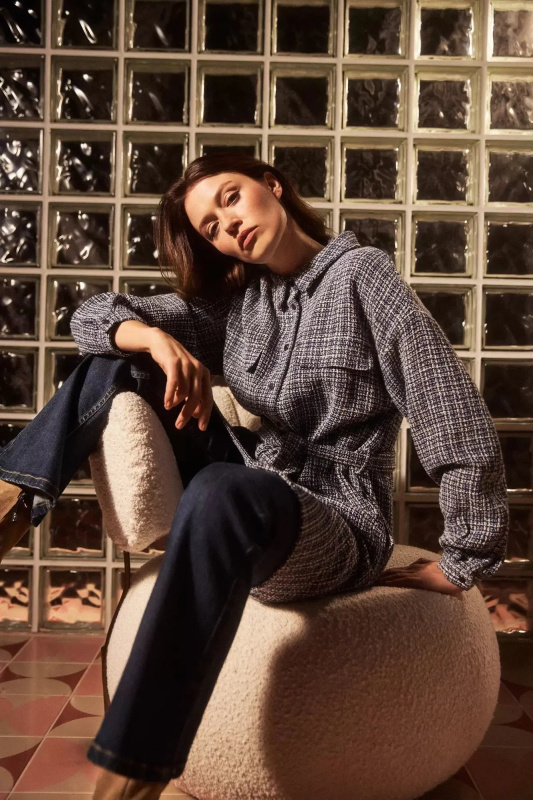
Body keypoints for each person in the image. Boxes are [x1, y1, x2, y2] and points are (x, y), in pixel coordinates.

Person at [0, 152, 509, 798]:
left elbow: (448, 408)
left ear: (272, 185)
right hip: (253, 476)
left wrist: (463, 558)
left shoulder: (364, 278)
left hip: (336, 519)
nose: (228, 226)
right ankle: (12, 500)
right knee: (115, 362)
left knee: (221, 490)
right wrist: (157, 341)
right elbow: (93, 318)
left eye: (231, 199)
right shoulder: (240, 304)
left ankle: (131, 770)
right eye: (210, 227)